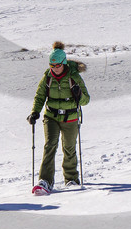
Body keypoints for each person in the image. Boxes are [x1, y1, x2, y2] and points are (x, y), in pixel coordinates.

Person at [26, 41, 89, 192]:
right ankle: (45, 181)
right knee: (50, 145)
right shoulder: (47, 77)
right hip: (51, 116)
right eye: (52, 66)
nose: (54, 69)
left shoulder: (74, 77)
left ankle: (71, 179)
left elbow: (86, 100)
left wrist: (78, 95)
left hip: (71, 117)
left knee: (69, 148)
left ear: (64, 63)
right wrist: (35, 112)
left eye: (57, 65)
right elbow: (40, 96)